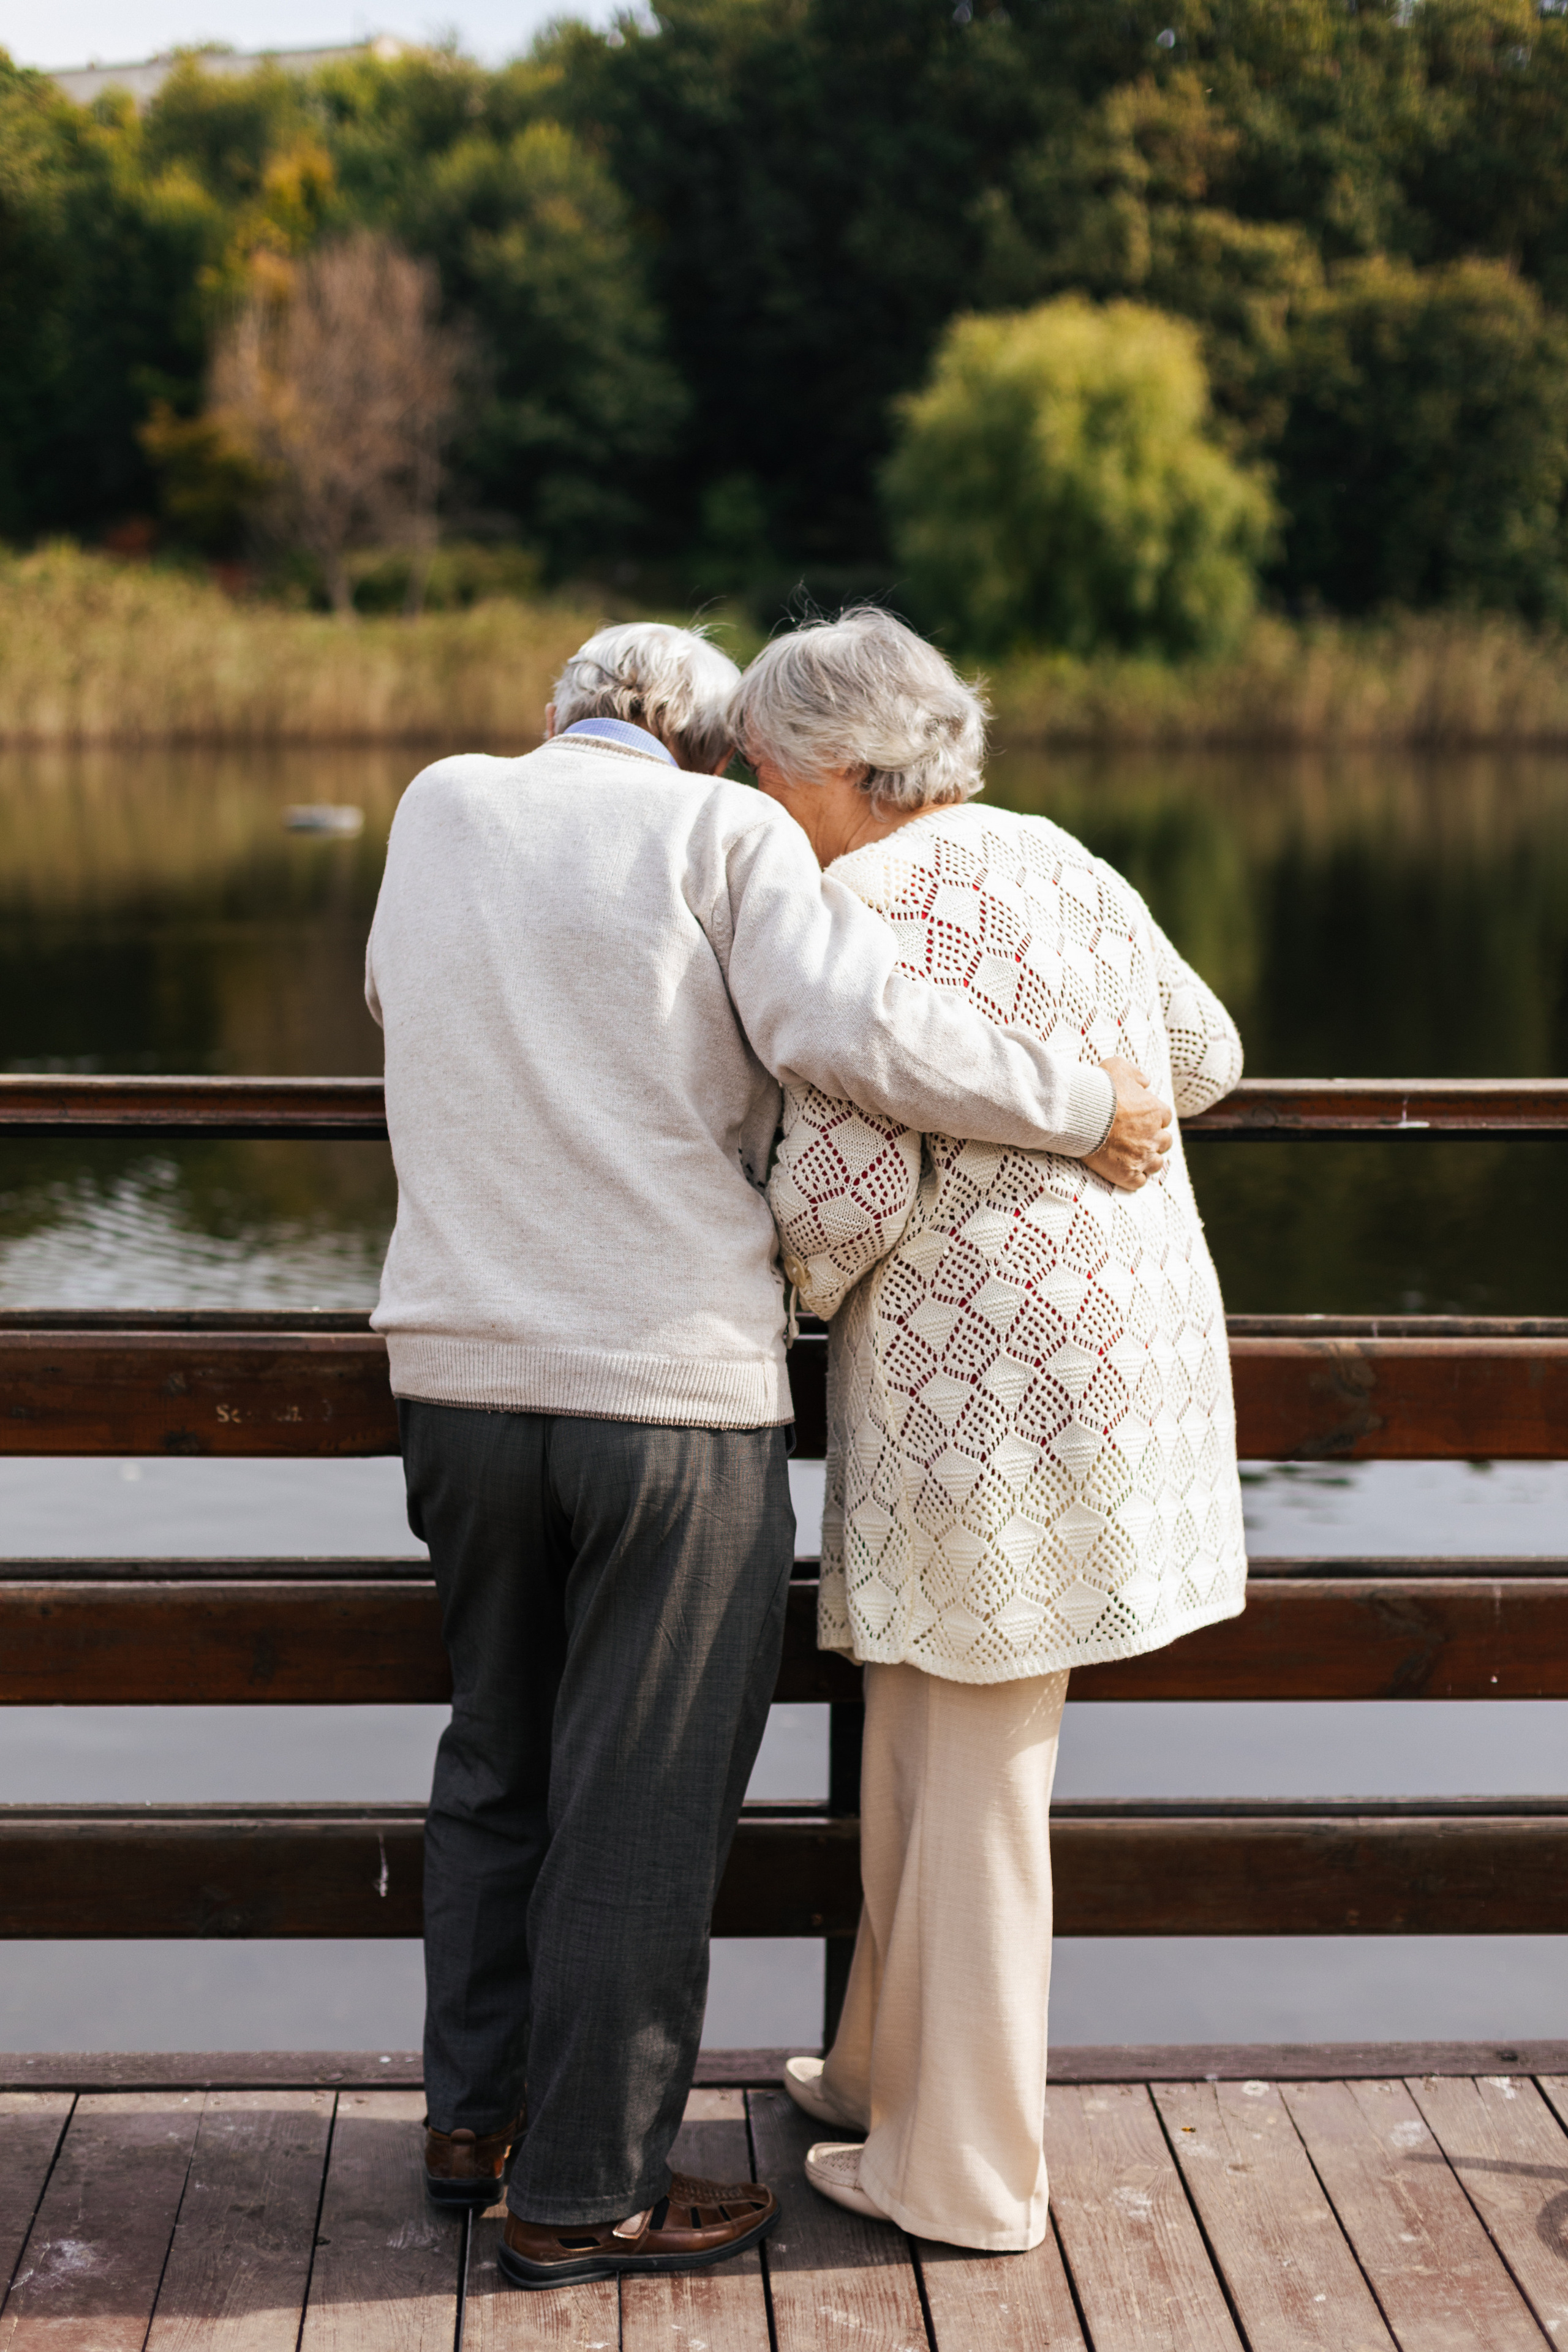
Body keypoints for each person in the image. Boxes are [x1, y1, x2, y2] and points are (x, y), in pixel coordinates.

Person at [363, 619, 1172, 2290]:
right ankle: (583, 2195)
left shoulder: (440, 805)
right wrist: (1085, 1105)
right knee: (644, 1803)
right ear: (717, 739)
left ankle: (472, 2125)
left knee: (497, 1754)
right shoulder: (723, 833)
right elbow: (860, 1038)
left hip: (455, 1378)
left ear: (562, 715)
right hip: (666, 1399)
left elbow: (403, 1001)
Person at [743, 608, 1246, 2253]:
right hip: (1130, 1360)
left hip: (988, 1399)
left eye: (758, 766)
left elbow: (841, 1195)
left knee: (969, 1773)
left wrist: (786, 1270)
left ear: (833, 766)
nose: (750, 794)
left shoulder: (844, 906)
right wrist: (1086, 1105)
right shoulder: (1063, 855)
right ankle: (881, 2072)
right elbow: (1205, 1054)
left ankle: (959, 2175)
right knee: (930, 1733)